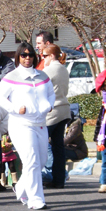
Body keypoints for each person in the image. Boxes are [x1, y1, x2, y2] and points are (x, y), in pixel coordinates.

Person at [0, 42, 55, 210]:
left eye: (30, 55)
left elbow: (51, 94)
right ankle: (36, 199)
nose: (27, 58)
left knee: (41, 161)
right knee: (32, 160)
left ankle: (20, 187)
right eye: (23, 55)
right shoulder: (11, 77)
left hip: (40, 124)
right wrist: (14, 108)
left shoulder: (43, 76)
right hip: (21, 124)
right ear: (18, 57)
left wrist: (49, 106)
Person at [42, 44, 70, 189]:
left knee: (41, 144)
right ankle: (59, 179)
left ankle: (45, 175)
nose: (43, 58)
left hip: (51, 112)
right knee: (58, 147)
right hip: (64, 110)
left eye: (45, 55)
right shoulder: (64, 69)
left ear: (52, 55)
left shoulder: (48, 71)